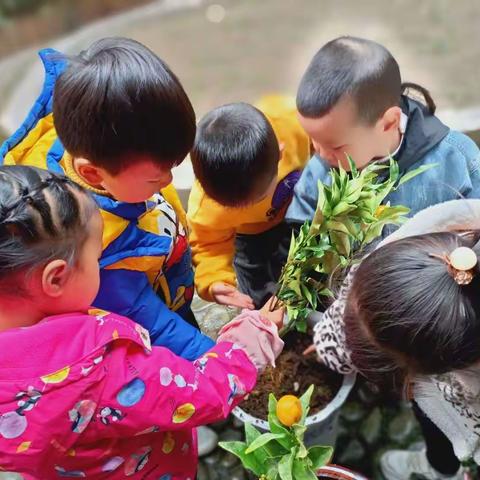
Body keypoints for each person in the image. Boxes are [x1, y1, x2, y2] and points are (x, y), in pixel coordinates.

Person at [0, 165, 284, 479]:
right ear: (56, 278)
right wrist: (252, 338)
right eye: (95, 259)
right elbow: (202, 390)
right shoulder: (100, 371)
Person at [0, 37, 214, 360]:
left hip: (169, 276)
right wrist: (218, 360)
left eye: (173, 166)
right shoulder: (96, 248)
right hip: (156, 310)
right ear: (92, 174)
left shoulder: (92, 136)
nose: (170, 181)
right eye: (157, 178)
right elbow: (153, 323)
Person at [311, 199, 480, 479]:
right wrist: (328, 342)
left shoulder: (467, 389)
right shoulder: (442, 244)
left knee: (440, 438)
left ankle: (440, 469)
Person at [286, 36, 480, 235]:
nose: (321, 154)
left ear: (389, 122)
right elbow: (300, 233)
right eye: (314, 140)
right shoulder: (320, 170)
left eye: (335, 146)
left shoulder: (457, 161)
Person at [188, 96, 310, 309]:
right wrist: (214, 281)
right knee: (258, 296)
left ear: (280, 154)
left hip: (298, 203)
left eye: (258, 199)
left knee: (312, 271)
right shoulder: (206, 208)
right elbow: (208, 245)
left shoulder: (289, 120)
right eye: (235, 208)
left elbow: (321, 138)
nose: (248, 207)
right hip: (250, 235)